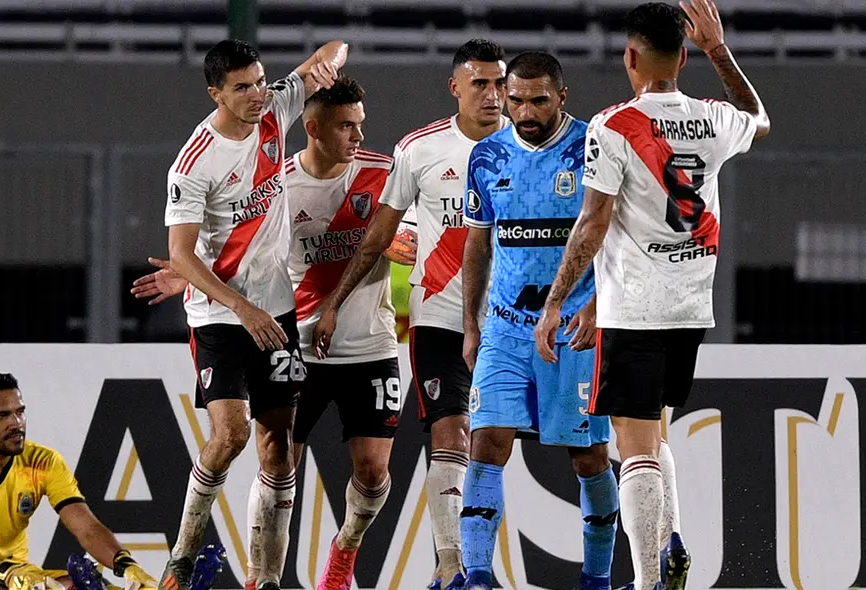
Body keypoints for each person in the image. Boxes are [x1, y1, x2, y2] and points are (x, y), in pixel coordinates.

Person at [134, 76, 412, 590]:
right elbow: (239, 247)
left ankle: (346, 547)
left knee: (374, 473)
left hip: (369, 344)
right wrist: (188, 273)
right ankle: (261, 579)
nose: (358, 135)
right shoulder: (276, 180)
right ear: (313, 128)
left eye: (360, 124)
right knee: (276, 455)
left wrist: (396, 242)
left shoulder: (386, 174)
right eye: (346, 126)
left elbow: (412, 238)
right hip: (297, 340)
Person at [534, 2, 770, 589]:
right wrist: (720, 50)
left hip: (634, 307)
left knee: (633, 443)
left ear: (630, 57)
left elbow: (593, 222)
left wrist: (556, 300)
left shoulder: (613, 126)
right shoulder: (712, 118)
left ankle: (646, 580)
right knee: (653, 430)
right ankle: (673, 541)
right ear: (684, 57)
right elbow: (758, 118)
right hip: (690, 306)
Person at [309, 39, 508, 590]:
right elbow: (382, 234)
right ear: (455, 87)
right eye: (480, 83)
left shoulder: (529, 145)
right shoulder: (420, 150)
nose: (492, 95)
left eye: (499, 83)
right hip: (439, 318)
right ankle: (451, 566)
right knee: (453, 434)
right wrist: (333, 303)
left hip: (513, 321)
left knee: (518, 447)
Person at [160, 38, 347, 590]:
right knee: (230, 436)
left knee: (279, 448)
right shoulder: (194, 161)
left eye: (261, 81)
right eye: (242, 87)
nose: (257, 94)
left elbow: (333, 50)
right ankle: (182, 554)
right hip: (219, 318)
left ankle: (263, 579)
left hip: (277, 312)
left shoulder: (275, 110)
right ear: (215, 94)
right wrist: (242, 307)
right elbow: (180, 255)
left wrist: (329, 63)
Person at [458, 52, 617, 590]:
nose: (525, 112)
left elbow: (618, 234)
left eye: (539, 101)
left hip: (574, 328)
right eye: (516, 100)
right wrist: (472, 324)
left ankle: (597, 577)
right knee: (486, 441)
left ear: (562, 97)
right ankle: (478, 574)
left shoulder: (592, 148)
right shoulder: (487, 156)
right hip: (505, 326)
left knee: (588, 456)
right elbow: (478, 244)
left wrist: (597, 306)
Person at [0, 373, 165, 590]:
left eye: (20, 412)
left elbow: (86, 527)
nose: (16, 423)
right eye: (2, 416)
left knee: (83, 586)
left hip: (18, 573)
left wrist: (126, 565)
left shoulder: (44, 461)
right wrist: (10, 575)